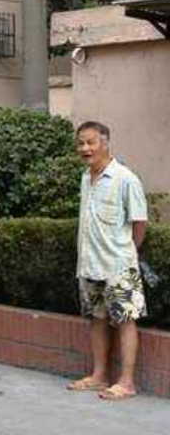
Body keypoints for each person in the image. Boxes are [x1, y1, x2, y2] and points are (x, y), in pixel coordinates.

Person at [67, 121, 148, 401]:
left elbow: (139, 222)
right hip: (89, 264)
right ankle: (99, 376)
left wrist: (128, 253)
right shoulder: (85, 178)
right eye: (81, 143)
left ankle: (126, 383)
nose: (85, 148)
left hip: (118, 265)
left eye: (91, 142)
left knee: (125, 320)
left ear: (105, 143)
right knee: (97, 320)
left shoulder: (126, 179)